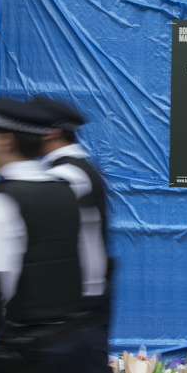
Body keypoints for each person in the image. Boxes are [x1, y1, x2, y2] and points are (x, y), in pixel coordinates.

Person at [0, 97, 125, 373]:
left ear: (3, 140)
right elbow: (90, 269)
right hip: (78, 346)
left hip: (27, 356)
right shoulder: (66, 188)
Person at [34, 97, 112, 337]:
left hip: (72, 307)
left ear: (51, 131)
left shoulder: (66, 175)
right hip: (77, 303)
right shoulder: (73, 169)